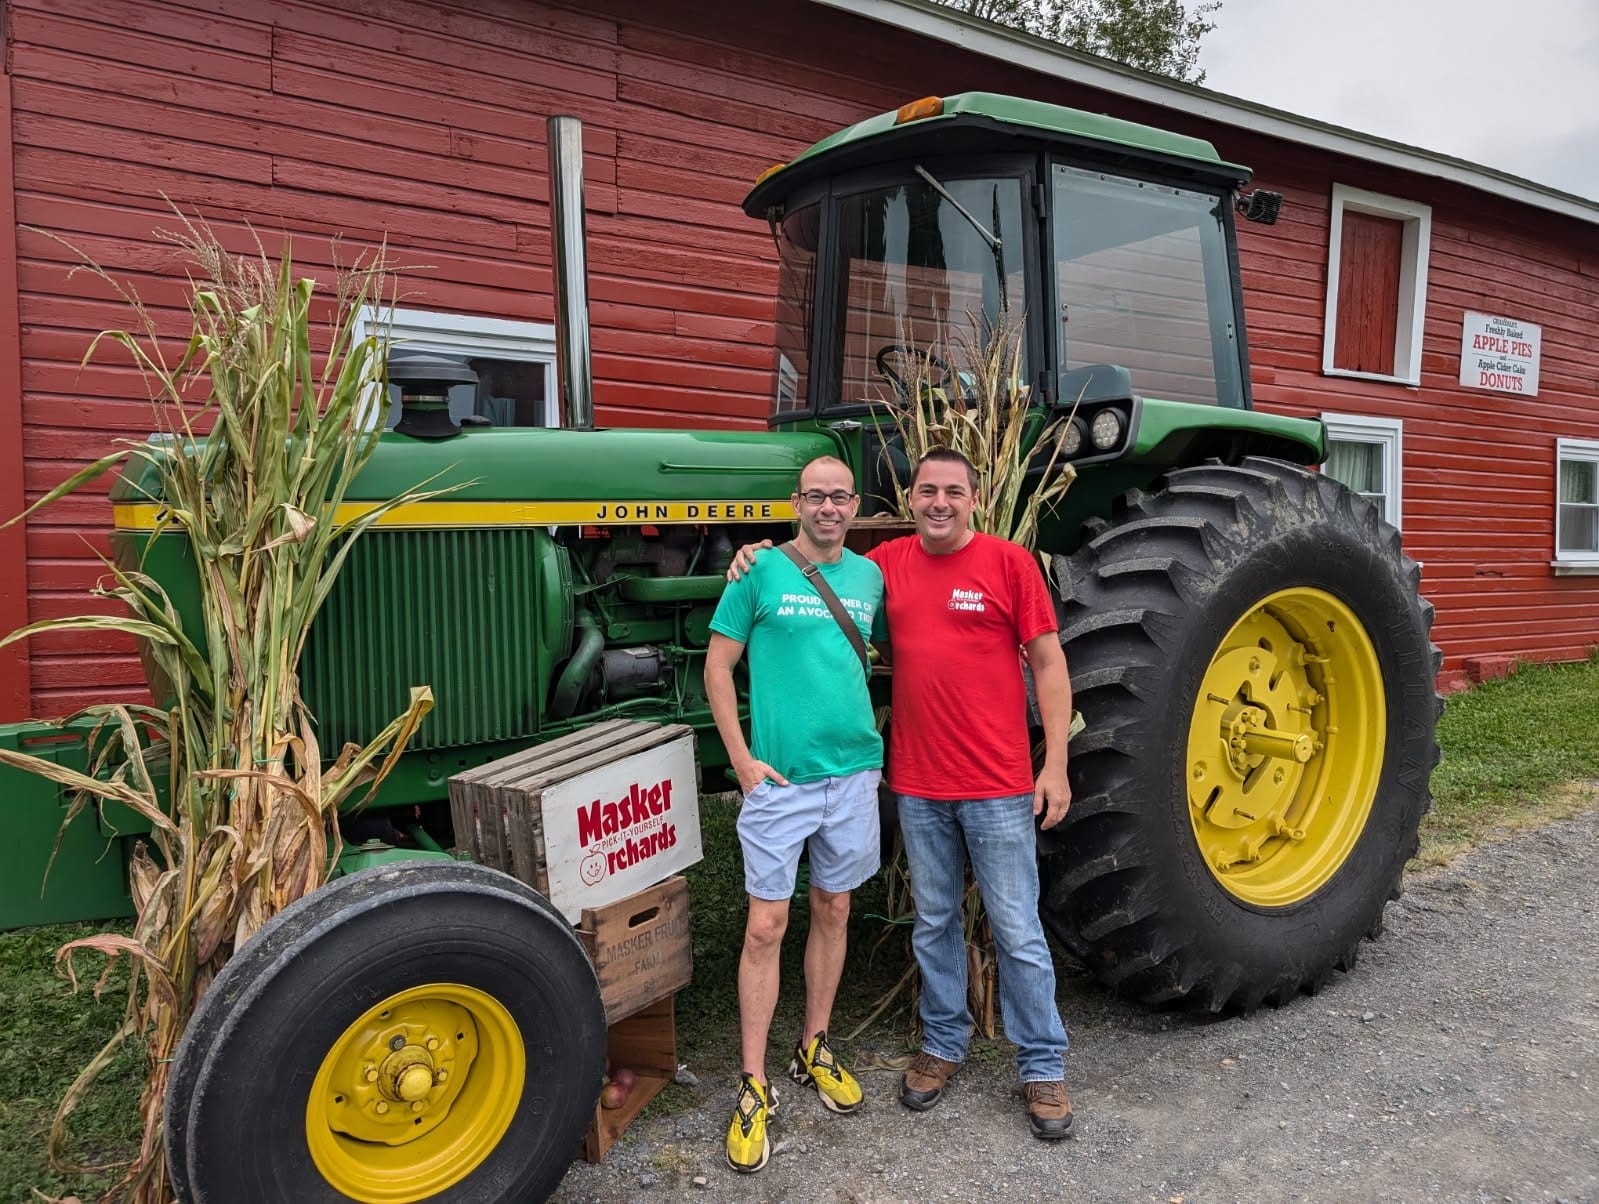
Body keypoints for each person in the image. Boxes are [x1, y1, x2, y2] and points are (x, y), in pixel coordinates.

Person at [730, 447, 1076, 1141]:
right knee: (935, 921)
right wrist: (752, 556)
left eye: (953, 491)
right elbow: (819, 564)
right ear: (910, 500)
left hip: (998, 781)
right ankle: (943, 1044)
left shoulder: (1010, 564)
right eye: (927, 491)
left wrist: (1057, 763)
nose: (939, 502)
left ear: (973, 500)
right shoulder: (884, 566)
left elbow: (1047, 662)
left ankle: (1042, 1064)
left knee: (1017, 928)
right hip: (917, 782)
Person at [703, 454, 886, 1174]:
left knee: (834, 908)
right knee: (765, 925)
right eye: (815, 496)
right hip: (780, 783)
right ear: (795, 502)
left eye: (839, 497)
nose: (827, 508)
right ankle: (753, 1082)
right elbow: (717, 667)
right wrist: (742, 761)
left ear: (854, 505)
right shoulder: (758, 571)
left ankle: (814, 1045)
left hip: (853, 774)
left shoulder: (870, 577)